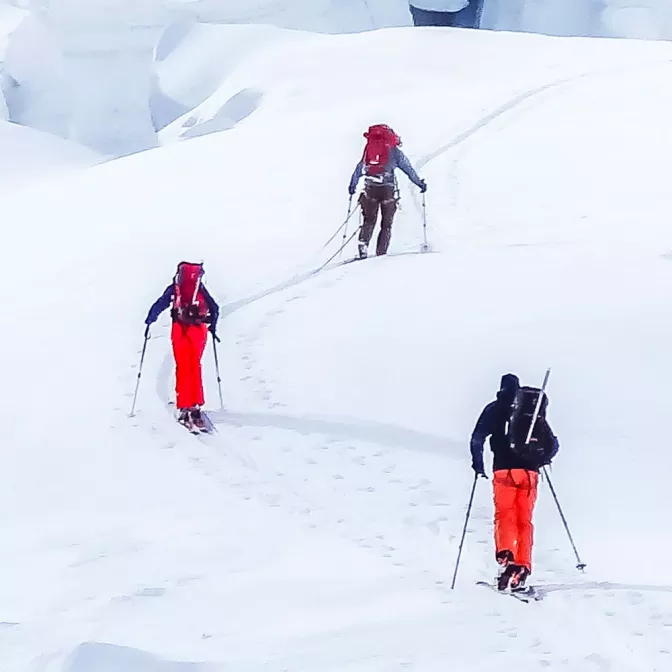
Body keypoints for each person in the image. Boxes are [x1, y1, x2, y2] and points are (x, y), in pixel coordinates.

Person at [470, 374, 559, 591]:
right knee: (524, 520)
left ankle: (506, 558)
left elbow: (477, 438)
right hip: (529, 473)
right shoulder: (530, 412)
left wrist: (478, 465)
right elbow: (554, 444)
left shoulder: (495, 408)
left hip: (503, 470)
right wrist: (541, 459)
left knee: (504, 515)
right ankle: (522, 567)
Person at [145, 261, 219, 430]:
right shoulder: (199, 288)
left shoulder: (176, 287)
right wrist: (212, 326)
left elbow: (161, 303)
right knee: (195, 366)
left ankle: (184, 407)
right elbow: (214, 307)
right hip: (198, 331)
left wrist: (150, 319)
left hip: (180, 330)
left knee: (183, 367)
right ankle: (196, 407)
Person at [348, 124, 426, 259]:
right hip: (387, 190)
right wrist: (420, 184)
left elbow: (360, 167)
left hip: (370, 187)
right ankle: (381, 254)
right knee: (386, 224)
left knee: (369, 220)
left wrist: (352, 185)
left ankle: (363, 245)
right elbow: (408, 169)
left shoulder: (369, 149)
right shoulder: (395, 151)